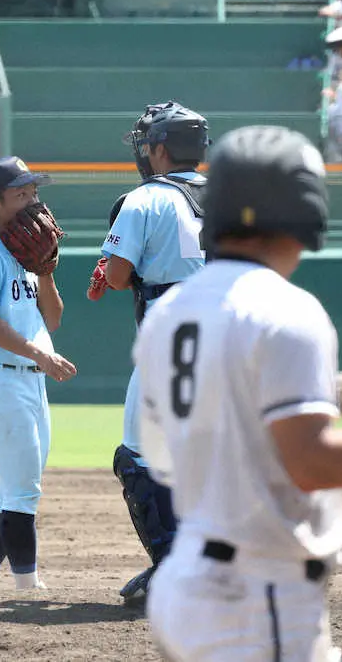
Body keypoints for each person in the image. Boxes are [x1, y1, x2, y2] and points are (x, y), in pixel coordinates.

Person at [139, 124, 342, 661]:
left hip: (188, 588)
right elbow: (311, 464)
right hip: (258, 594)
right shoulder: (286, 309)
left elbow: (165, 454)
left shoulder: (169, 312)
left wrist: (306, 397)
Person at [86, 100, 210, 606]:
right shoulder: (230, 195)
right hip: (233, 336)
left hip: (172, 341)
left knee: (136, 458)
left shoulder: (146, 200)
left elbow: (116, 275)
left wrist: (122, 271)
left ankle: (173, 569)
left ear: (159, 150)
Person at [0, 157, 76, 591]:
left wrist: (45, 270)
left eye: (34, 193)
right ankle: (28, 587)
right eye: (21, 194)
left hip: (32, 383)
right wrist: (39, 356)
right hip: (2, 382)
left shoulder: (27, 255)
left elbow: (55, 317)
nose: (32, 202)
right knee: (23, 494)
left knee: (13, 492)